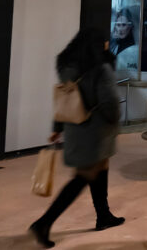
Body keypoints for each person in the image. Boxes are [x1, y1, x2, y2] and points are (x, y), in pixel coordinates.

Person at [29, 28, 124, 248]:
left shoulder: (67, 68)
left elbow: (64, 98)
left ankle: (103, 215)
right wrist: (114, 119)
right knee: (83, 177)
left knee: (100, 169)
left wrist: (57, 126)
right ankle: (43, 223)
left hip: (76, 130)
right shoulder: (100, 69)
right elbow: (110, 104)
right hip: (96, 133)